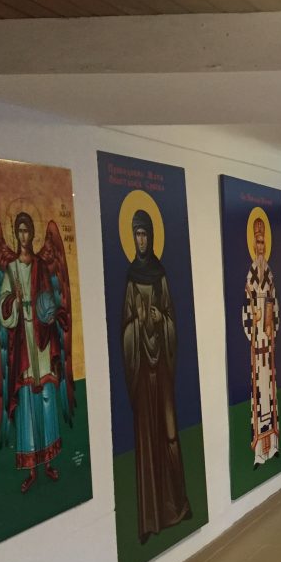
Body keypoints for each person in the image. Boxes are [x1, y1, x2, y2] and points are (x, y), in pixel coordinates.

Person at [0, 212, 73, 493]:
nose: (24, 236)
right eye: (20, 231)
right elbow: (2, 305)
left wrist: (47, 311)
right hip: (23, 343)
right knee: (27, 405)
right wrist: (13, 302)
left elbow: (49, 299)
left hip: (42, 343)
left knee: (46, 400)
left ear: (33, 233)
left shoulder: (41, 266)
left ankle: (48, 463)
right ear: (16, 234)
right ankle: (32, 469)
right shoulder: (11, 269)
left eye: (27, 230)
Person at [121, 209, 191, 544]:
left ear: (151, 236)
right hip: (142, 372)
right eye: (136, 234)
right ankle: (150, 520)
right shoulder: (131, 279)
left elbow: (171, 320)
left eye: (144, 234)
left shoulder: (160, 276)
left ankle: (177, 506)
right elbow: (125, 330)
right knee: (147, 440)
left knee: (170, 432)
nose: (141, 240)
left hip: (161, 367)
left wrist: (160, 320)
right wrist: (137, 322)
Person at [241, 217, 280, 467]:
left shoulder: (270, 273)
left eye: (263, 241)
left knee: (271, 394)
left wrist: (271, 323)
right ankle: (259, 452)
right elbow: (246, 307)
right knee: (259, 394)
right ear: (253, 245)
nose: (261, 246)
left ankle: (273, 445)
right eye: (257, 242)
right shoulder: (251, 273)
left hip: (268, 341)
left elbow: (274, 304)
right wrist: (255, 319)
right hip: (257, 344)